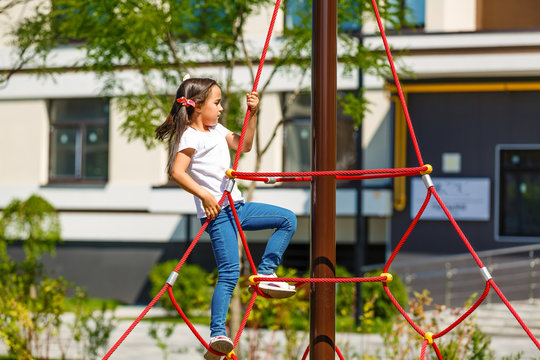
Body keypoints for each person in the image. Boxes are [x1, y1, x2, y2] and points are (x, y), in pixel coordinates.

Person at [155, 77, 297, 360]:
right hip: (218, 214)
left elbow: (244, 145)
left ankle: (266, 272)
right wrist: (206, 196)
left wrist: (252, 114)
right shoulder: (190, 137)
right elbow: (177, 172)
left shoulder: (216, 129)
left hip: (238, 206)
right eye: (217, 103)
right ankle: (218, 333)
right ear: (197, 107)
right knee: (230, 273)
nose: (220, 109)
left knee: (287, 219)